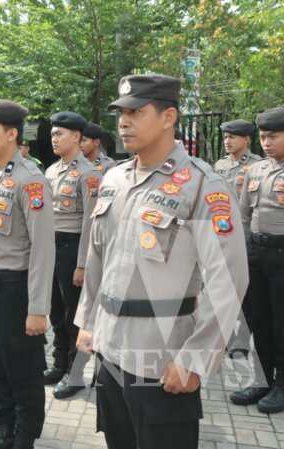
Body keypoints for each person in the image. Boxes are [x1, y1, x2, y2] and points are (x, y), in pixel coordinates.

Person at [74, 74, 248, 448]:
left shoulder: (202, 185)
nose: (123, 121)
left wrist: (195, 359)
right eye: (121, 113)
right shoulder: (114, 179)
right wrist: (87, 320)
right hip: (109, 346)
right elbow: (97, 257)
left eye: (136, 112)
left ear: (168, 117)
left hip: (161, 356)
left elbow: (229, 279)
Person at [0, 99, 54, 449]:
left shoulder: (31, 181)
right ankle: (3, 431)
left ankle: (24, 437)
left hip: (15, 290)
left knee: (23, 370)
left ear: (11, 133)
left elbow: (42, 249)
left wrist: (37, 308)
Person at [43, 111, 102, 399]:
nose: (54, 138)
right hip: (52, 246)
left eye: (60, 134)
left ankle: (76, 372)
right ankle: (59, 363)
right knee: (55, 309)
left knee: (73, 314)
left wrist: (82, 264)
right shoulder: (51, 171)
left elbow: (91, 223)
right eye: (53, 134)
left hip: (72, 246)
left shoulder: (89, 174)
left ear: (77, 137)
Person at [234, 107, 284, 413]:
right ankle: (262, 380)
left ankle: (282, 385)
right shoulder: (255, 170)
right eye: (263, 137)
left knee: (282, 322)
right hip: (256, 253)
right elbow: (242, 216)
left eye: (274, 136)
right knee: (259, 320)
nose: (266, 142)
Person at [214, 119, 262, 361]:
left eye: (233, 137)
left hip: (245, 237)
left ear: (246, 139)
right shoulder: (219, 165)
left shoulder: (257, 165)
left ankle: (241, 340)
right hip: (221, 236)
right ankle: (224, 336)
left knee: (246, 292)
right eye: (225, 137)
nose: (227, 141)